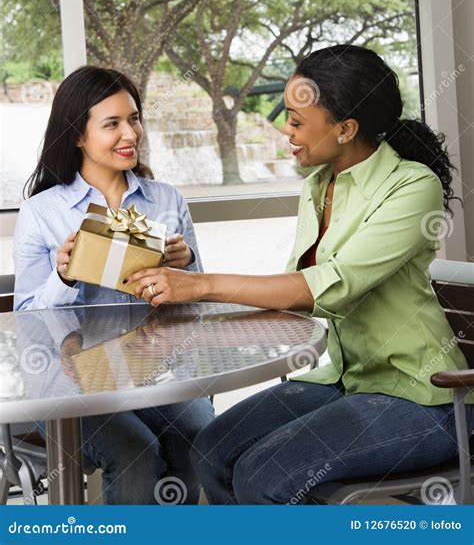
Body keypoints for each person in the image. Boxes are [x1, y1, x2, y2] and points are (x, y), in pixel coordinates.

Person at [125, 45, 473, 504]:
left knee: (262, 474)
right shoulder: (319, 185)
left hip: (421, 396)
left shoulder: (412, 186)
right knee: (208, 451)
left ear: (346, 129)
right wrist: (201, 320)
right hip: (347, 379)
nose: (284, 130)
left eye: (296, 120)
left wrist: (201, 284)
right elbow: (295, 290)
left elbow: (330, 287)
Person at [13, 65, 214, 504]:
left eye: (134, 118)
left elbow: (200, 299)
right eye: (112, 124)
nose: (131, 133)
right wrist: (64, 276)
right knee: (135, 452)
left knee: (198, 433)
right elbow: (24, 319)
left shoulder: (167, 199)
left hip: (155, 368)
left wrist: (186, 268)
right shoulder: (43, 212)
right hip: (69, 382)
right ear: (78, 136)